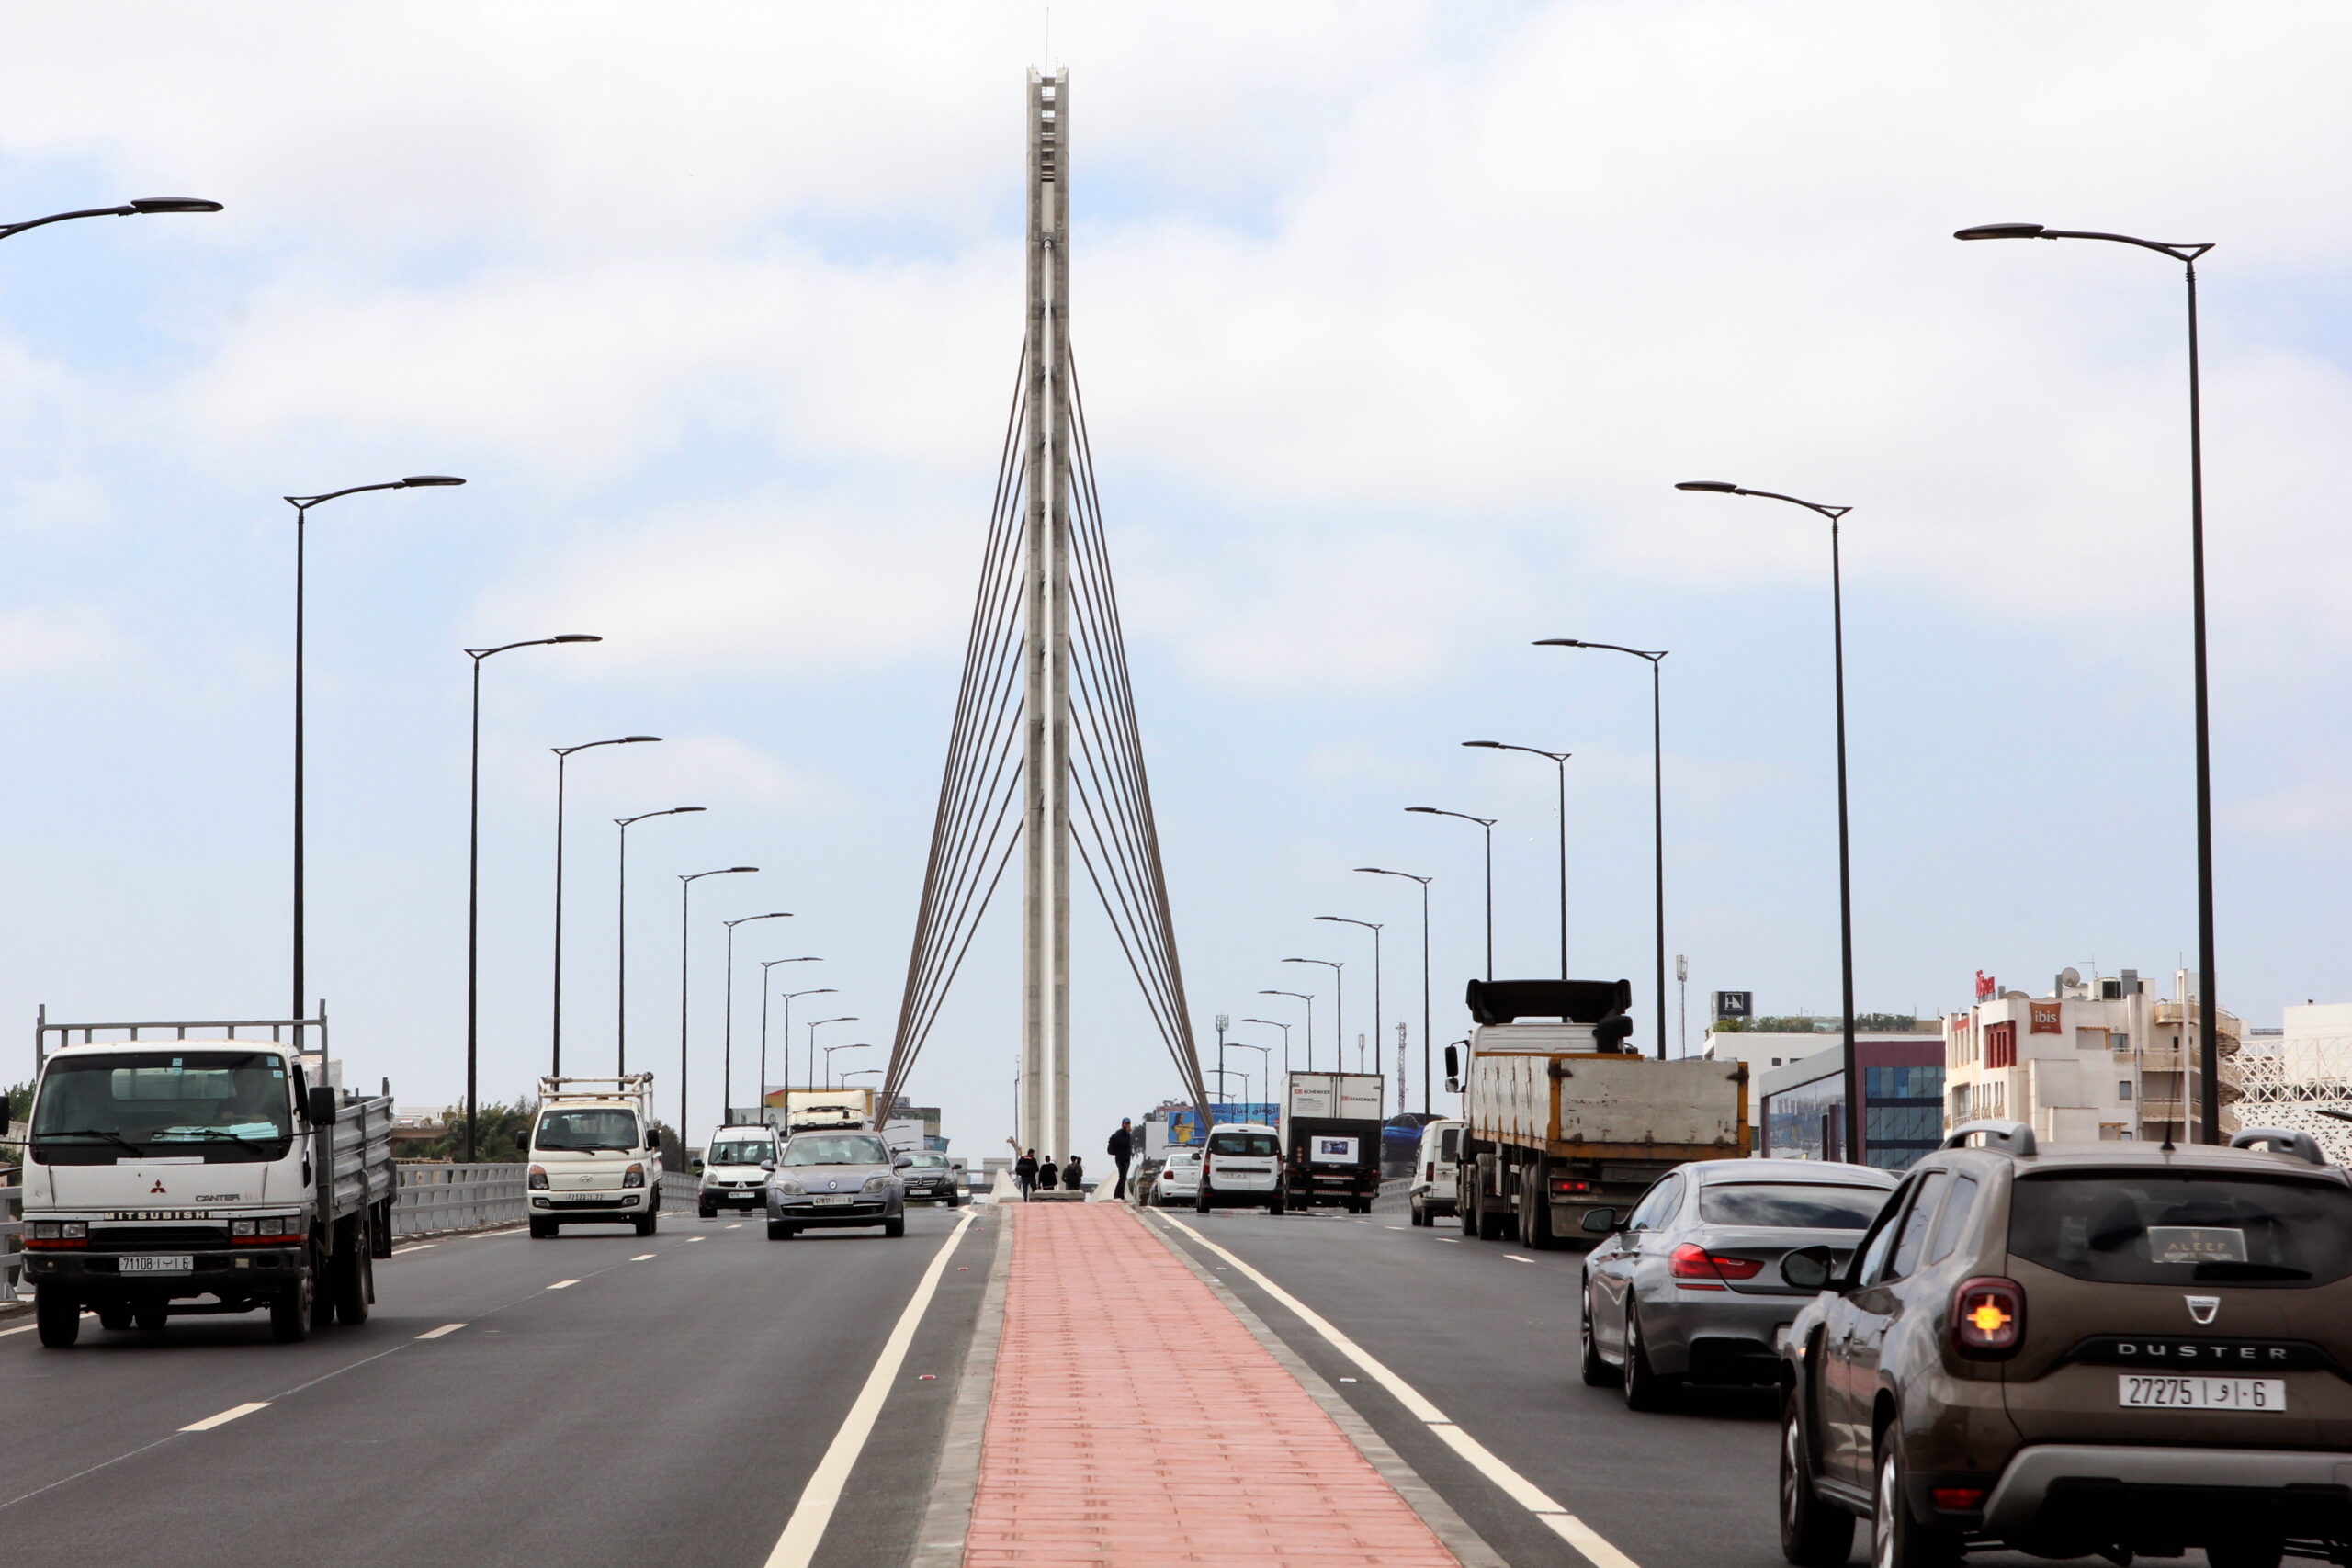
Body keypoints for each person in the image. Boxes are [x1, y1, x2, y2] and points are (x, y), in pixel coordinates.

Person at [1107, 1118, 1135, 1201]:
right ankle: (1117, 1194)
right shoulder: (1119, 1133)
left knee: (1124, 1177)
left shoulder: (1128, 1134)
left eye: (1129, 1123)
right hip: (1120, 1158)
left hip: (1127, 1158)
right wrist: (1127, 1132)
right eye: (1126, 1123)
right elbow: (1122, 1143)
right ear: (1123, 1124)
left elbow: (1128, 1145)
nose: (1127, 1125)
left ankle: (1121, 1194)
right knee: (1122, 1176)